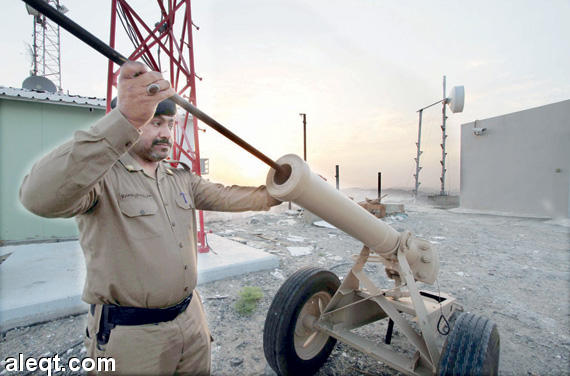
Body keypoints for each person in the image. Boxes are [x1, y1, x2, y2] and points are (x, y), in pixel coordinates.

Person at [19, 61, 281, 375]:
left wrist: (278, 193)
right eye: (155, 122)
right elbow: (37, 197)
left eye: (170, 123)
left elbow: (225, 195)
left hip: (190, 320)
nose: (166, 133)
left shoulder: (178, 178)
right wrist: (123, 120)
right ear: (128, 123)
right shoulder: (101, 178)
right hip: (132, 337)